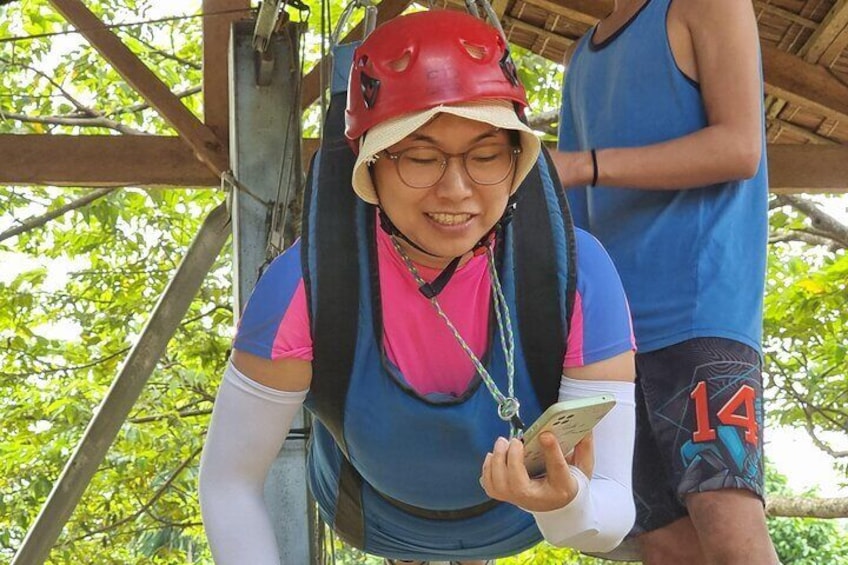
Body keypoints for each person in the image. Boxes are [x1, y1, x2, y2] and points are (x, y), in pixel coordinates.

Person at [199, 10, 637, 565]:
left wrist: (565, 504)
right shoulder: (303, 291)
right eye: (421, 158)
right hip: (371, 513)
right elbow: (228, 481)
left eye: (485, 156)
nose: (456, 190)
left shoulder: (577, 275)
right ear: (370, 166)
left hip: (516, 521)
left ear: (518, 158)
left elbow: (611, 513)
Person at [552, 0, 779, 563]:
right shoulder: (581, 55)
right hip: (615, 344)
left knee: (730, 528)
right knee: (664, 546)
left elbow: (739, 147)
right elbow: (576, 220)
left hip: (701, 317)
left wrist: (584, 165)